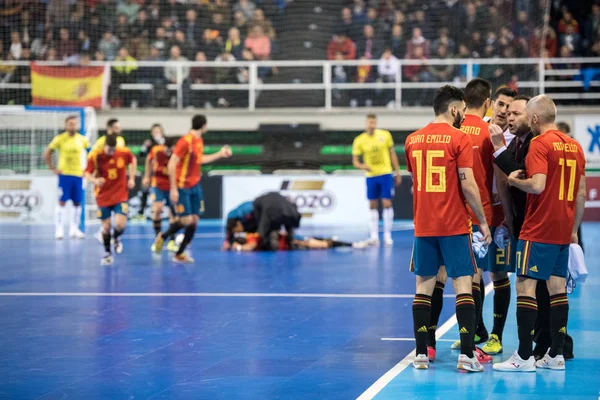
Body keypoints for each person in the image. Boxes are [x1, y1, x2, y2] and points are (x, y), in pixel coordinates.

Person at [493, 95, 585, 372]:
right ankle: (555, 356)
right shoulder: (575, 145)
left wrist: (513, 180)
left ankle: (523, 357)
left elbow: (537, 185)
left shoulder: (539, 144)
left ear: (534, 119)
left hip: (538, 226)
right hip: (562, 228)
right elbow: (580, 193)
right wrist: (572, 230)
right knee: (557, 288)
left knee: (525, 285)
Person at [405, 85, 491, 372]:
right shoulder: (459, 138)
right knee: (463, 285)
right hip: (454, 225)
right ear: (454, 109)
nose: (464, 117)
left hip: (424, 225)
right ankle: (466, 355)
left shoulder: (412, 140)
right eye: (463, 111)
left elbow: (416, 180)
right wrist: (482, 220)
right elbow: (468, 184)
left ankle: (420, 354)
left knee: (423, 289)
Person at [430, 79, 494, 362]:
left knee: (433, 280)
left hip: (433, 218)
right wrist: (486, 219)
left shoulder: (425, 135)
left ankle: (427, 345)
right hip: (466, 217)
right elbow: (480, 182)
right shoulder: (483, 132)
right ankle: (473, 341)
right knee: (469, 280)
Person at [152, 115, 232, 263]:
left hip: (195, 185)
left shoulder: (199, 141)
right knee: (186, 219)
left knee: (194, 220)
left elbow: (200, 160)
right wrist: (173, 189)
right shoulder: (185, 141)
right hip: (182, 186)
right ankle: (163, 237)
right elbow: (171, 164)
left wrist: (220, 154)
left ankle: (179, 253)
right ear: (204, 126)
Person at [84, 135, 137, 265]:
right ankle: (107, 253)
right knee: (106, 227)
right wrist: (95, 180)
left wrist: (131, 178)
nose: (112, 152)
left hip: (120, 195)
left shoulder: (123, 152)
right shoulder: (96, 155)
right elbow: (86, 173)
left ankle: (116, 238)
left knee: (120, 225)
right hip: (103, 196)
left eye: (114, 150)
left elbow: (133, 160)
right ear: (104, 146)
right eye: (109, 150)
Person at [352, 114, 402, 247]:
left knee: (387, 203)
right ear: (366, 123)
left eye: (374, 122)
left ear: (376, 123)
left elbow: (392, 154)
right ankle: (374, 236)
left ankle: (387, 235)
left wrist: (397, 172)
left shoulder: (385, 135)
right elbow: (355, 161)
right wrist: (363, 166)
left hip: (385, 173)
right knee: (372, 205)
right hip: (371, 176)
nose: (372, 125)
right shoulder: (359, 140)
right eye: (370, 122)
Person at [43, 116, 90, 240]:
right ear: (66, 125)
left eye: (74, 124)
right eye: (70, 124)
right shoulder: (60, 139)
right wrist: (52, 167)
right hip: (64, 175)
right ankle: (59, 229)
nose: (72, 126)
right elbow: (48, 152)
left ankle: (74, 229)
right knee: (62, 201)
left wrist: (88, 170)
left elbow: (91, 154)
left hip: (78, 175)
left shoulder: (82, 140)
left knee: (77, 202)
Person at [223, 192, 302, 251]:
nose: (238, 232)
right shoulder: (246, 213)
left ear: (237, 224)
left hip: (268, 214)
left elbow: (254, 243)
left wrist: (237, 246)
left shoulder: (247, 211)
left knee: (268, 239)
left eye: (236, 231)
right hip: (279, 213)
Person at [142, 136, 179, 252]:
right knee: (157, 210)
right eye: (166, 150)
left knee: (174, 214)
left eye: (170, 150)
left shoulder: (177, 153)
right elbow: (148, 159)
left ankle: (172, 241)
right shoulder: (156, 150)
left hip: (172, 185)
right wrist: (147, 175)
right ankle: (159, 239)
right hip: (158, 184)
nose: (168, 152)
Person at [137, 123, 166, 220]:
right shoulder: (149, 143)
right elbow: (141, 155)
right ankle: (141, 213)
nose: (157, 133)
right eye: (155, 131)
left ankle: (163, 212)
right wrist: (144, 147)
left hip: (163, 173)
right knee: (144, 191)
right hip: (150, 172)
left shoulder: (165, 142)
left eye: (158, 131)